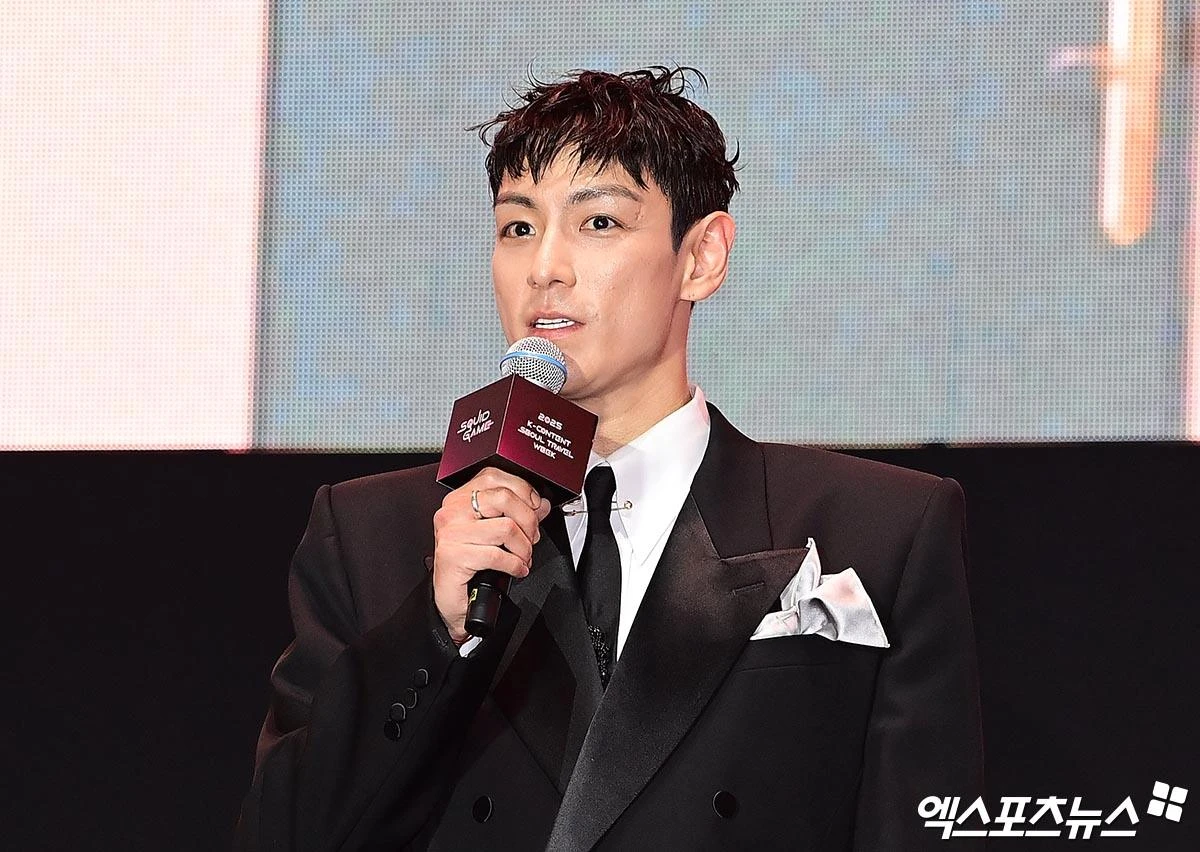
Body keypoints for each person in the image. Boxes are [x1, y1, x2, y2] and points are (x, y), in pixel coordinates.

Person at [234, 67, 984, 851]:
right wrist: (433, 631)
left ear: (702, 257)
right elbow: (281, 836)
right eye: (517, 228)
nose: (544, 268)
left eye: (598, 223)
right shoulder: (372, 534)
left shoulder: (880, 529)